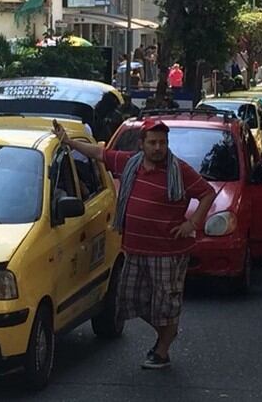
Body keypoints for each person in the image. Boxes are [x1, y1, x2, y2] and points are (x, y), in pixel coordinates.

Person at [53, 118, 216, 370]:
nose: (158, 148)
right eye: (152, 143)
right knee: (130, 299)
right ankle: (167, 332)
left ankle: (162, 350)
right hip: (135, 249)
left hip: (168, 253)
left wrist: (192, 223)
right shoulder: (130, 163)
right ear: (142, 145)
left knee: (165, 304)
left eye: (162, 142)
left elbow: (207, 193)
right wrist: (68, 141)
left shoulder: (180, 170)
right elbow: (98, 153)